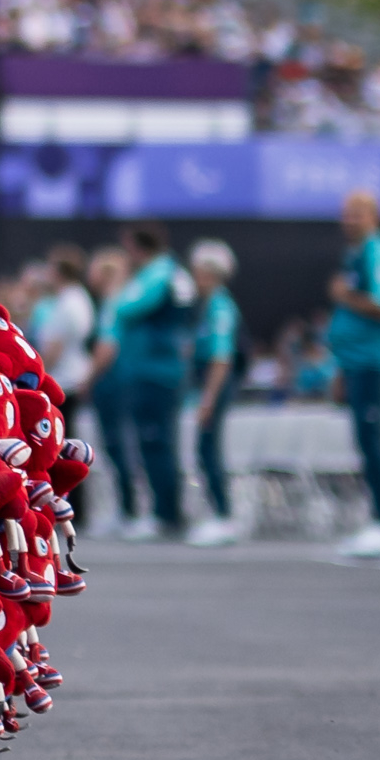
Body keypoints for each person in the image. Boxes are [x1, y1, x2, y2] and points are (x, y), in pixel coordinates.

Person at [87, 222, 195, 540]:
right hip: (149, 370)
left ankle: (166, 515)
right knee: (153, 443)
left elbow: (127, 306)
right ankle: (163, 512)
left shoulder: (161, 273)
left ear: (137, 247)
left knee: (156, 442)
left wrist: (118, 294)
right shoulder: (161, 274)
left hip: (155, 371)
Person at [322, 190, 380, 560]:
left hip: (373, 362)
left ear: (375, 215)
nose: (348, 220)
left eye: (356, 213)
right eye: (345, 213)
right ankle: (378, 520)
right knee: (365, 443)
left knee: (373, 442)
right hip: (355, 363)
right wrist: (341, 366)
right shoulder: (355, 254)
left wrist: (344, 297)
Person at [182, 240, 245, 547]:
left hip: (215, 383)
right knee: (205, 448)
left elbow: (221, 358)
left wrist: (208, 399)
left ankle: (224, 515)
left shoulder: (219, 307)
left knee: (209, 448)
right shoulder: (207, 306)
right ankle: (218, 512)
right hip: (206, 382)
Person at [26, 247, 100, 420]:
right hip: (71, 373)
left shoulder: (67, 303)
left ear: (59, 272)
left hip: (64, 379)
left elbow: (56, 346)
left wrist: (38, 376)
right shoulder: (79, 297)